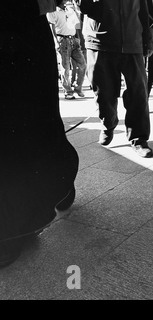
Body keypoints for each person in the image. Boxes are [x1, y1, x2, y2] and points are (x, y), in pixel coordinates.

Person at [1, 0, 79, 268]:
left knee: (29, 130)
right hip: (21, 33)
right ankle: (18, 221)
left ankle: (13, 228)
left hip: (22, 37)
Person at [78, 0, 153, 158]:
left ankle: (138, 138)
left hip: (132, 39)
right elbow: (83, 6)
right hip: (99, 40)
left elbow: (144, 10)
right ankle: (108, 123)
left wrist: (147, 39)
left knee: (138, 91)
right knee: (103, 92)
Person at [47, 0, 87, 100]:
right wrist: (55, 41)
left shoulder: (70, 10)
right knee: (65, 68)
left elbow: (76, 25)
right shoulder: (53, 12)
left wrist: (78, 38)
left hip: (73, 39)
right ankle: (68, 91)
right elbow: (51, 28)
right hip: (62, 40)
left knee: (83, 64)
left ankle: (78, 87)